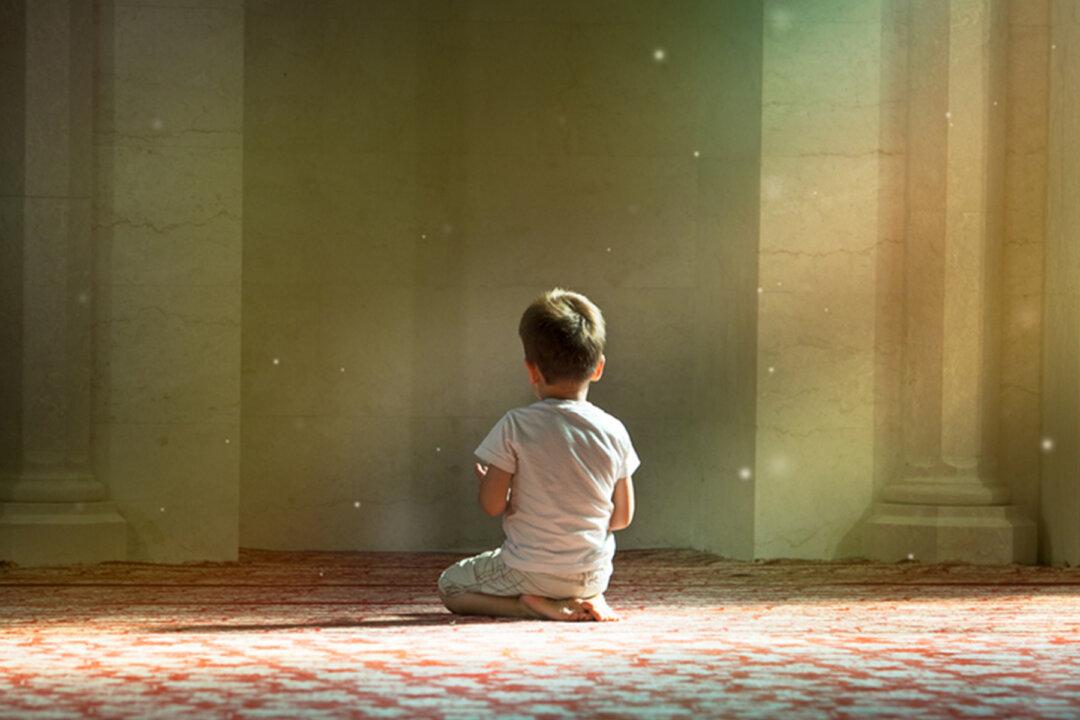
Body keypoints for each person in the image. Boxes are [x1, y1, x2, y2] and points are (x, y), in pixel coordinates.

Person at [437, 288, 640, 622]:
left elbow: (492, 506)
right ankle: (587, 597)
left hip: (530, 571)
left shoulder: (515, 425)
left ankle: (528, 605)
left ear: (532, 370)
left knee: (450, 585)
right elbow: (621, 519)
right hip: (594, 573)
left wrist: (493, 485)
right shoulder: (614, 430)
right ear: (598, 368)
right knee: (581, 569)